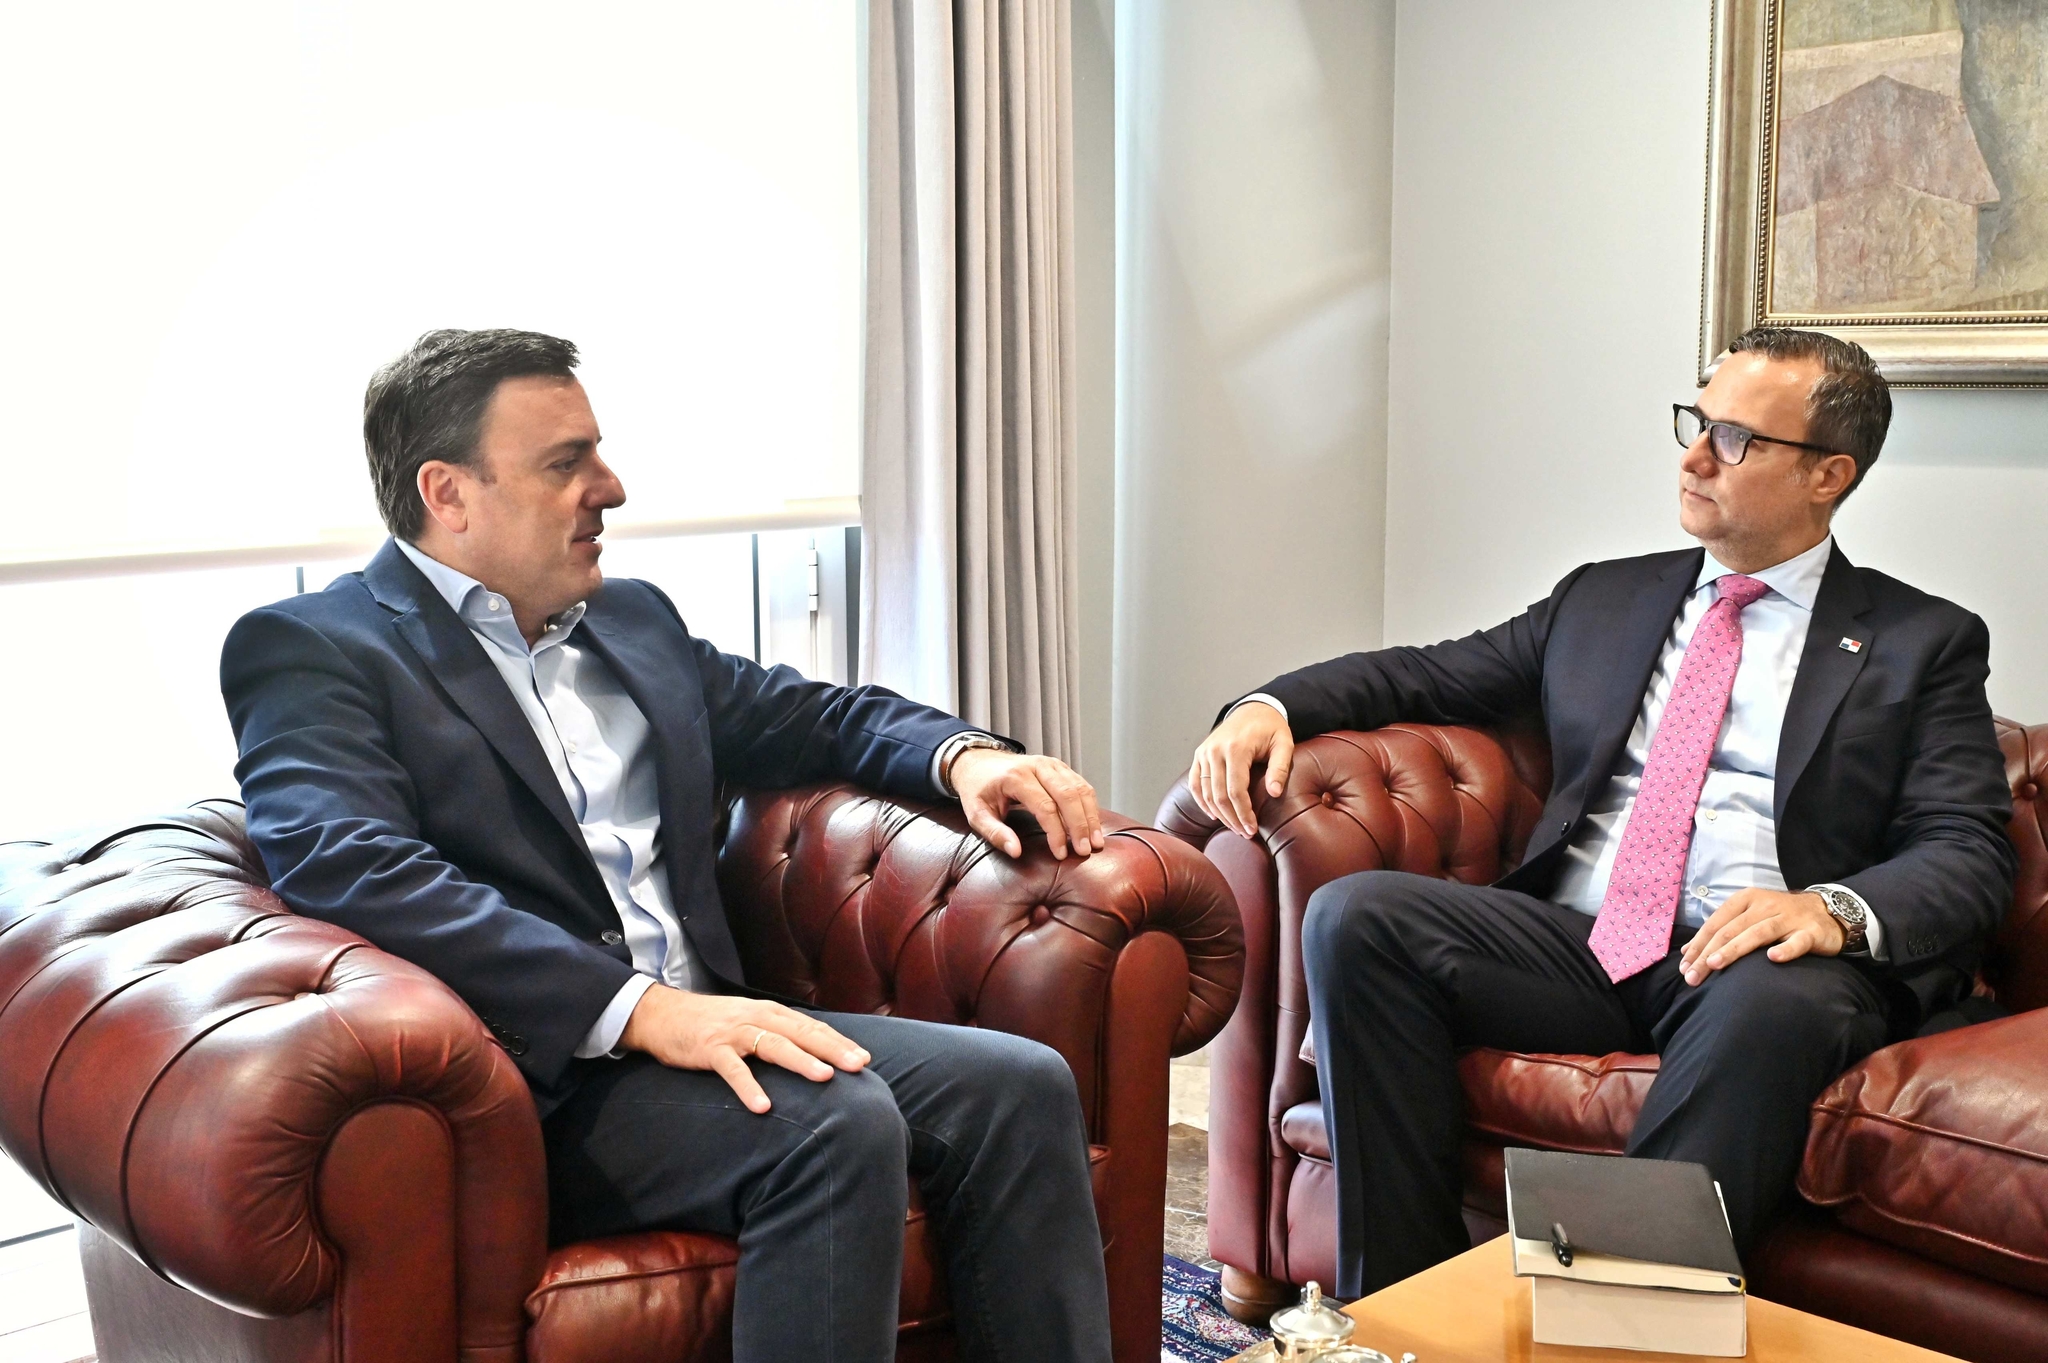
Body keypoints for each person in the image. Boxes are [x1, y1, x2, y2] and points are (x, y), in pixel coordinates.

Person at [221, 328, 1113, 1361]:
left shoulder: (627, 619)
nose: (611, 487)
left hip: (717, 1021)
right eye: (567, 462)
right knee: (835, 1126)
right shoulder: (317, 648)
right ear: (447, 493)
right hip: (539, 1087)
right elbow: (347, 861)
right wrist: (640, 1009)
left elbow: (813, 716)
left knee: (1021, 1086)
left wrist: (961, 757)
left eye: (597, 453)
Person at [1187, 326, 2015, 1297]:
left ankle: (1606, 1323)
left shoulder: (1920, 640)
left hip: (1759, 964)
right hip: (1585, 942)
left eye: (1734, 439)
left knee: (1770, 1000)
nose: (1694, 458)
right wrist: (1268, 705)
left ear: (1827, 475)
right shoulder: (1606, 597)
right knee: (1356, 917)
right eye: (1695, 423)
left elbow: (1967, 849)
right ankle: (1405, 1307)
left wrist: (1826, 908)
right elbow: (1426, 672)